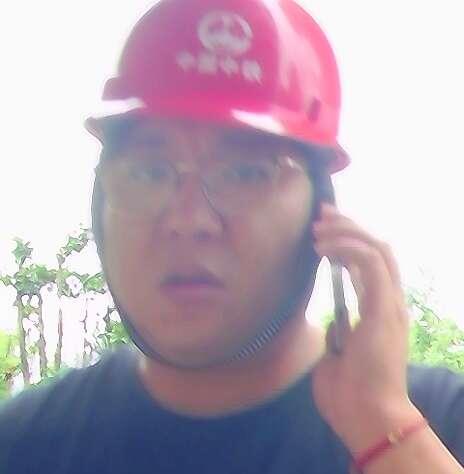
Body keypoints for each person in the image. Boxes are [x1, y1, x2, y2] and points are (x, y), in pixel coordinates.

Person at [1, 0, 463, 472]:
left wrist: (384, 427)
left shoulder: (442, 424)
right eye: (149, 172)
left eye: (246, 173)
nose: (188, 219)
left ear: (322, 210)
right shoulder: (23, 443)